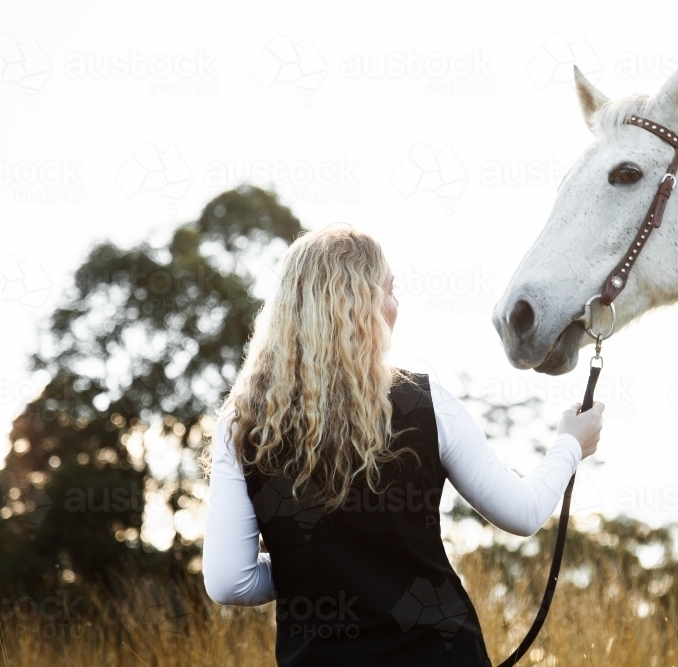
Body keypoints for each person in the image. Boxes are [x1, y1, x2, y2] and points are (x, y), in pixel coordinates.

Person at [202, 225, 604, 666]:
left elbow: (228, 582)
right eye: (389, 290)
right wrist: (570, 445)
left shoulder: (240, 429)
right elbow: (523, 513)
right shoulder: (428, 405)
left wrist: (312, 567)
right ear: (360, 306)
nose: (397, 305)